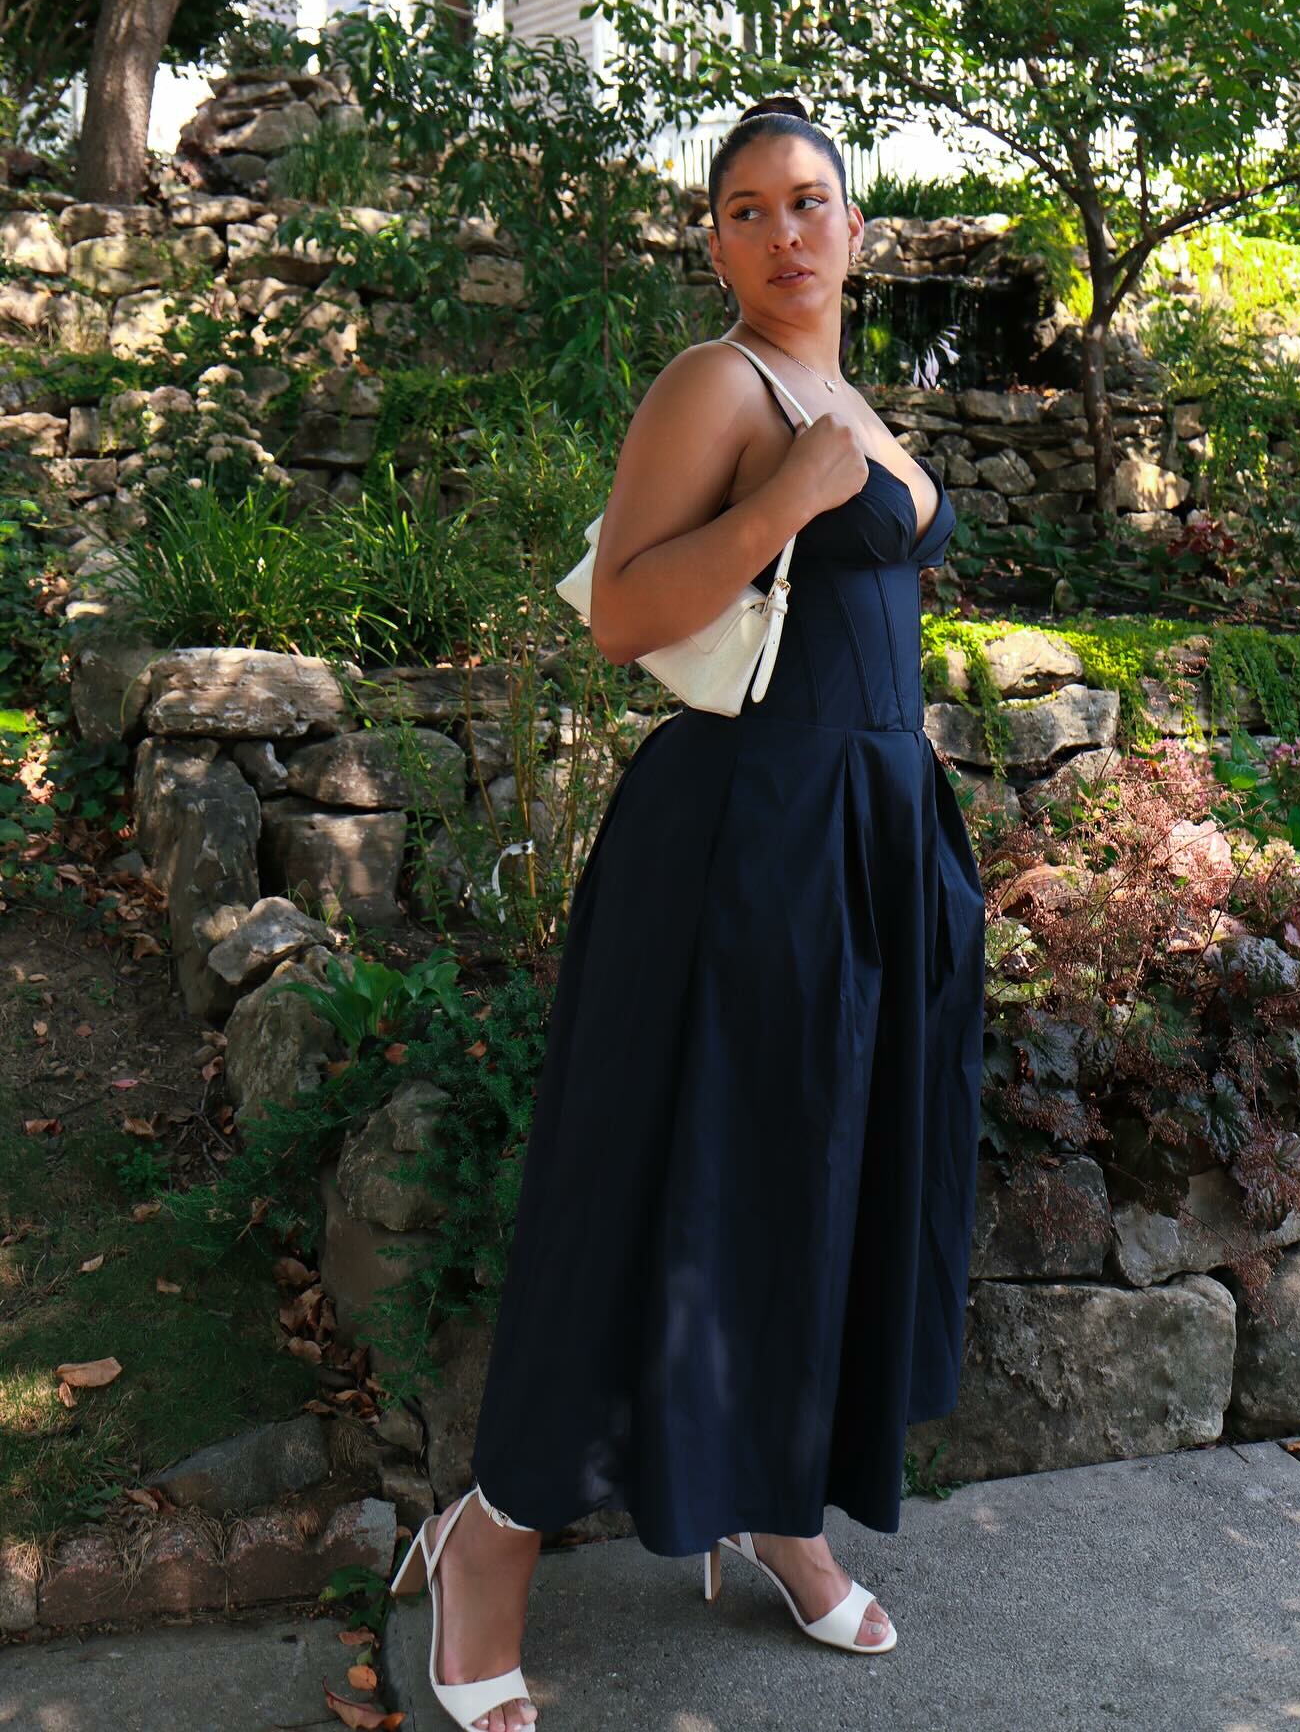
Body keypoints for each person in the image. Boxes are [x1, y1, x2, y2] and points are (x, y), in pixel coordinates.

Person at [386, 95, 986, 1732]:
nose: (785, 232)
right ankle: (489, 1543)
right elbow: (625, 614)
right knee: (650, 1185)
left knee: (820, 1187)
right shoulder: (716, 385)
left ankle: (777, 1506)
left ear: (858, 226)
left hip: (868, 839)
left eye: (810, 200)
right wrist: (783, 504)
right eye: (747, 209)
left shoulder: (847, 393)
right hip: (742, 842)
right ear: (712, 243)